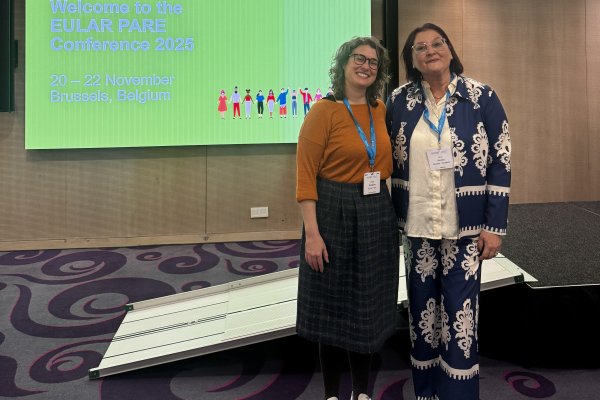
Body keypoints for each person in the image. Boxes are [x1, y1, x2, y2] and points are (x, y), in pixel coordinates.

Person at [385, 23, 511, 400]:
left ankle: (458, 395)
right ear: (412, 60)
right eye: (420, 47)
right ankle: (426, 393)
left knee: (460, 318)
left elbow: (501, 159)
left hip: (466, 229)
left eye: (437, 43)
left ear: (450, 50)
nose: (430, 51)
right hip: (417, 227)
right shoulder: (399, 101)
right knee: (423, 318)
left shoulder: (481, 97)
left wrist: (495, 225)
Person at [296, 36, 398, 400]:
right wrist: (312, 235)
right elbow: (305, 177)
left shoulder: (379, 110)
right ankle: (331, 394)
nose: (366, 66)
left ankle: (361, 392)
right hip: (332, 210)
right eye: (359, 58)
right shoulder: (323, 111)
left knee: (366, 305)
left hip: (375, 209)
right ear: (343, 64)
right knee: (332, 306)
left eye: (373, 62)